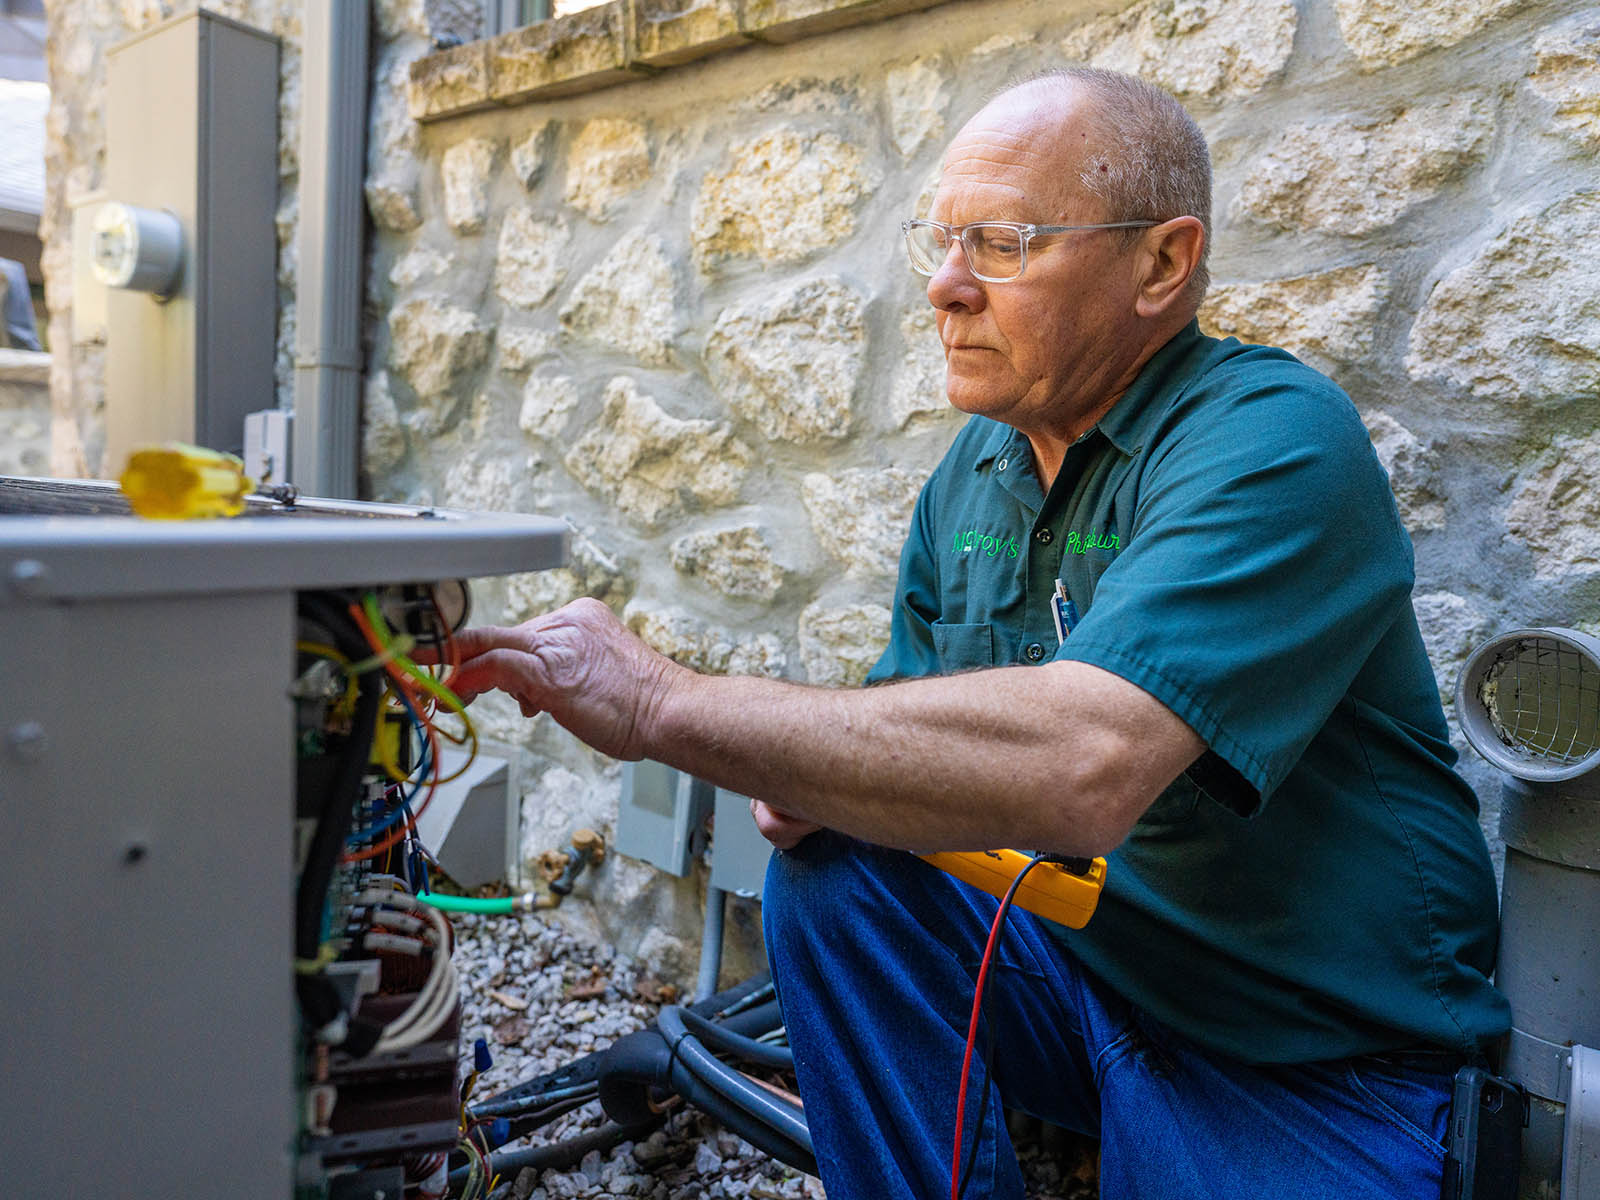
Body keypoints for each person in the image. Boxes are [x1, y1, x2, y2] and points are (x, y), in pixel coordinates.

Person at [446, 68, 1510, 1199]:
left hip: (1309, 1054)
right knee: (840, 869)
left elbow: (1083, 766)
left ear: (1162, 262)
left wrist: (663, 705)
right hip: (1091, 980)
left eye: (1002, 243)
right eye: (942, 241)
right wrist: (821, 775)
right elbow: (907, 748)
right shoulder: (981, 469)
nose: (946, 288)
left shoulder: (1274, 439)